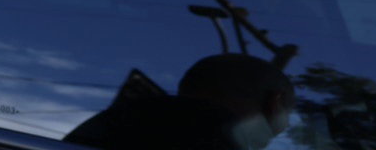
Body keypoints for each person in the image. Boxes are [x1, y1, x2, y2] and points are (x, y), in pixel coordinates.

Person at [65, 53, 295, 150]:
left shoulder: (119, 121)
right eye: (289, 113)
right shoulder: (214, 138)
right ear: (276, 103)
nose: (285, 127)